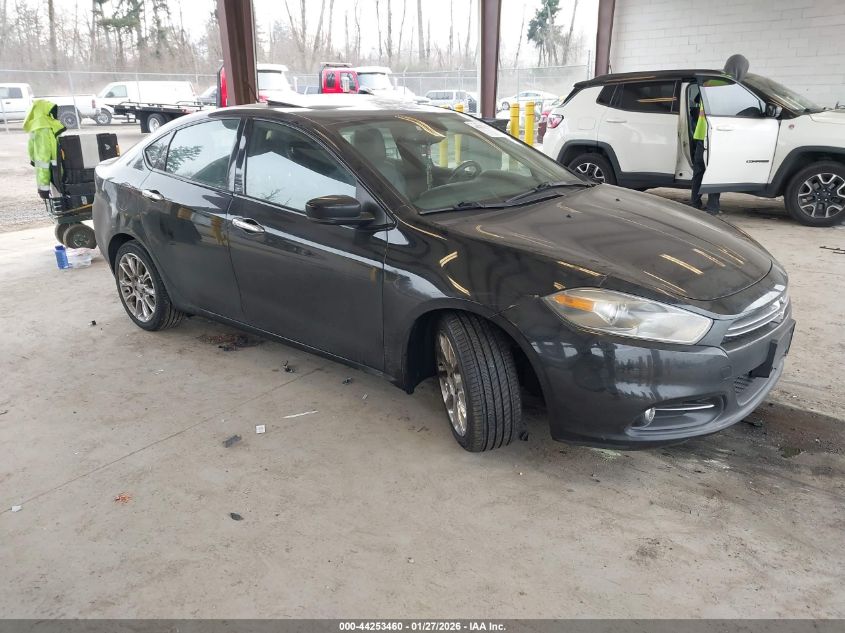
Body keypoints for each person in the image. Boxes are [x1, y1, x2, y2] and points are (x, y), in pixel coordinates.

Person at [23, 99, 65, 199]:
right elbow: (43, 159)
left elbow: (37, 155)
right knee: (60, 198)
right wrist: (44, 189)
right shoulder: (43, 128)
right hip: (55, 170)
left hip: (54, 169)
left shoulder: (38, 125)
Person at [688, 90, 720, 215]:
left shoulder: (707, 85)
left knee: (699, 171)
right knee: (714, 172)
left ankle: (695, 203)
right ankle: (713, 207)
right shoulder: (724, 89)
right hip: (713, 136)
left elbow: (696, 100)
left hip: (701, 134)